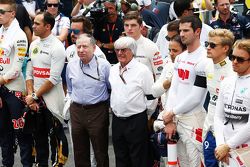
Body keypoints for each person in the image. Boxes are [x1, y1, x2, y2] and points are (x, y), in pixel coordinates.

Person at [162, 15, 208, 167]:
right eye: (180, 30)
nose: (181, 34)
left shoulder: (205, 58)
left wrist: (171, 113)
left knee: (197, 163)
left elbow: (196, 97)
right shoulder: (180, 57)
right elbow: (174, 89)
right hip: (176, 117)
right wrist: (169, 118)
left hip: (195, 119)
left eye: (186, 30)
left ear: (197, 31)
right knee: (179, 162)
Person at [25, 11, 68, 167]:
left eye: (37, 23)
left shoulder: (57, 47)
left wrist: (35, 96)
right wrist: (31, 96)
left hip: (52, 102)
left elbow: (53, 79)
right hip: (35, 101)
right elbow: (29, 72)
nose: (33, 26)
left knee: (56, 140)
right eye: (33, 22)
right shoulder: (34, 44)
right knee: (38, 139)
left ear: (48, 26)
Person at [109, 36, 155, 167]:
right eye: (117, 50)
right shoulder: (112, 70)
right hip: (117, 120)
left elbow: (151, 97)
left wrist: (146, 115)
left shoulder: (142, 70)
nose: (119, 53)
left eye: (124, 50)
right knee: (121, 157)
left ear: (132, 51)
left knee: (139, 159)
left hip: (137, 120)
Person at [66, 34, 110, 167]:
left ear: (94, 47)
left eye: (85, 46)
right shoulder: (71, 65)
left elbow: (110, 87)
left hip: (98, 111)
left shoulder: (104, 66)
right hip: (77, 111)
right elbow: (70, 88)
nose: (81, 50)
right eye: (78, 47)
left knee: (100, 151)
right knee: (79, 151)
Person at [0, 0, 33, 167]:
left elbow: (16, 69)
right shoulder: (0, 31)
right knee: (4, 135)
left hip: (15, 91)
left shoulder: (19, 35)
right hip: (1, 90)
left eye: (2, 11)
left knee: (21, 133)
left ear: (12, 13)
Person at [214, 39, 250, 166]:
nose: (234, 62)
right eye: (233, 57)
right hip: (225, 151)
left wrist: (228, 145)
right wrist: (220, 145)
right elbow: (218, 116)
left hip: (245, 150)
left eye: (240, 59)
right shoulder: (226, 82)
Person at [123, 11, 164, 80]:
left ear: (141, 27)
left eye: (133, 25)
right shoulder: (121, 45)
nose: (129, 28)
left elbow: (160, 75)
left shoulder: (151, 47)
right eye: (126, 25)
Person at [94, 0, 124, 64]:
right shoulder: (100, 22)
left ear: (117, 9)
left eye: (111, 8)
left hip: (118, 57)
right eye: (106, 9)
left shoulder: (122, 23)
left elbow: (120, 44)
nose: (109, 11)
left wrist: (103, 45)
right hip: (102, 58)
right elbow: (95, 40)